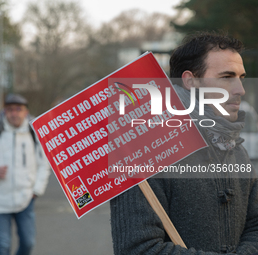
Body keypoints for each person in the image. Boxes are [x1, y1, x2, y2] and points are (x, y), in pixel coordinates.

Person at [110, 33, 258, 254]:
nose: (240, 90)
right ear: (190, 81)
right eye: (227, 77)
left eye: (241, 77)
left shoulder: (237, 151)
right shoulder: (144, 154)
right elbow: (138, 248)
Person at [0, 94, 50, 255]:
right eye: (9, 110)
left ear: (25, 111)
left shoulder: (34, 133)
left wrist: (37, 190)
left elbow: (44, 165)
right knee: (3, 246)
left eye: (18, 109)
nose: (14, 113)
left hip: (26, 199)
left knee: (28, 243)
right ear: (4, 111)